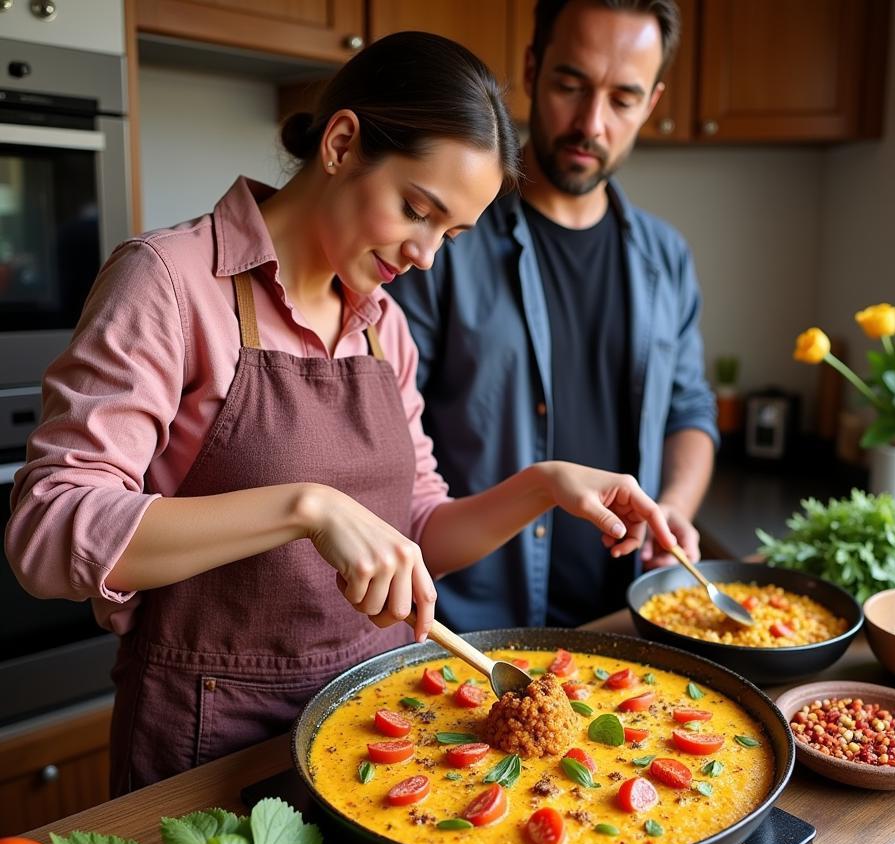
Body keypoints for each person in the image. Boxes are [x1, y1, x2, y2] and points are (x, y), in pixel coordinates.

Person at [4, 31, 677, 795]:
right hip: (209, 749)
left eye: (450, 234)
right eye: (416, 210)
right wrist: (305, 507)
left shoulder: (383, 326)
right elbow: (48, 530)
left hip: (374, 734)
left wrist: (542, 486)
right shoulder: (169, 283)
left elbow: (417, 530)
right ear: (343, 142)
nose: (426, 255)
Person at [387, 0, 718, 631]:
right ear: (534, 70)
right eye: (571, 85)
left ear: (652, 104)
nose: (591, 121)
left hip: (622, 616)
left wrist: (674, 504)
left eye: (623, 99)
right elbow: (388, 432)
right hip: (469, 624)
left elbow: (690, 408)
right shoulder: (443, 243)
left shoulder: (666, 256)